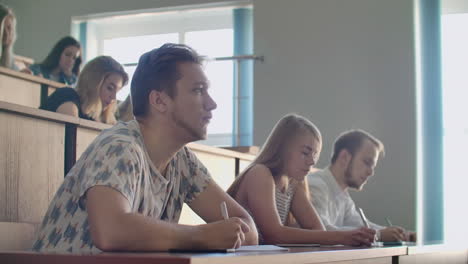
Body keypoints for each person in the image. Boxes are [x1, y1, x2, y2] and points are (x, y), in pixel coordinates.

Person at [32, 43, 258, 253]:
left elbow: (249, 231)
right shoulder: (120, 146)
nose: (212, 104)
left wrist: (222, 234)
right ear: (159, 101)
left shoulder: (183, 161)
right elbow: (110, 230)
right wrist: (200, 235)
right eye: (198, 91)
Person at [227, 114, 375, 246]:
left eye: (315, 155)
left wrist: (337, 237)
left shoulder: (293, 184)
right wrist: (341, 237)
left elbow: (318, 229)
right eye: (305, 153)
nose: (312, 162)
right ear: (282, 148)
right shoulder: (260, 173)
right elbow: (274, 234)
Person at [307, 129, 416, 242]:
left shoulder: (342, 195)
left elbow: (363, 226)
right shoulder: (316, 186)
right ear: (344, 157)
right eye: (367, 162)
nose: (370, 172)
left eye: (372, 167)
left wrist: (404, 235)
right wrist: (378, 235)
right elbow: (322, 232)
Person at [40, 55, 127, 124]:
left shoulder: (104, 117)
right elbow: (72, 136)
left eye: (117, 91)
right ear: (93, 83)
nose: (114, 97)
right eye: (110, 88)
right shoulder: (67, 95)